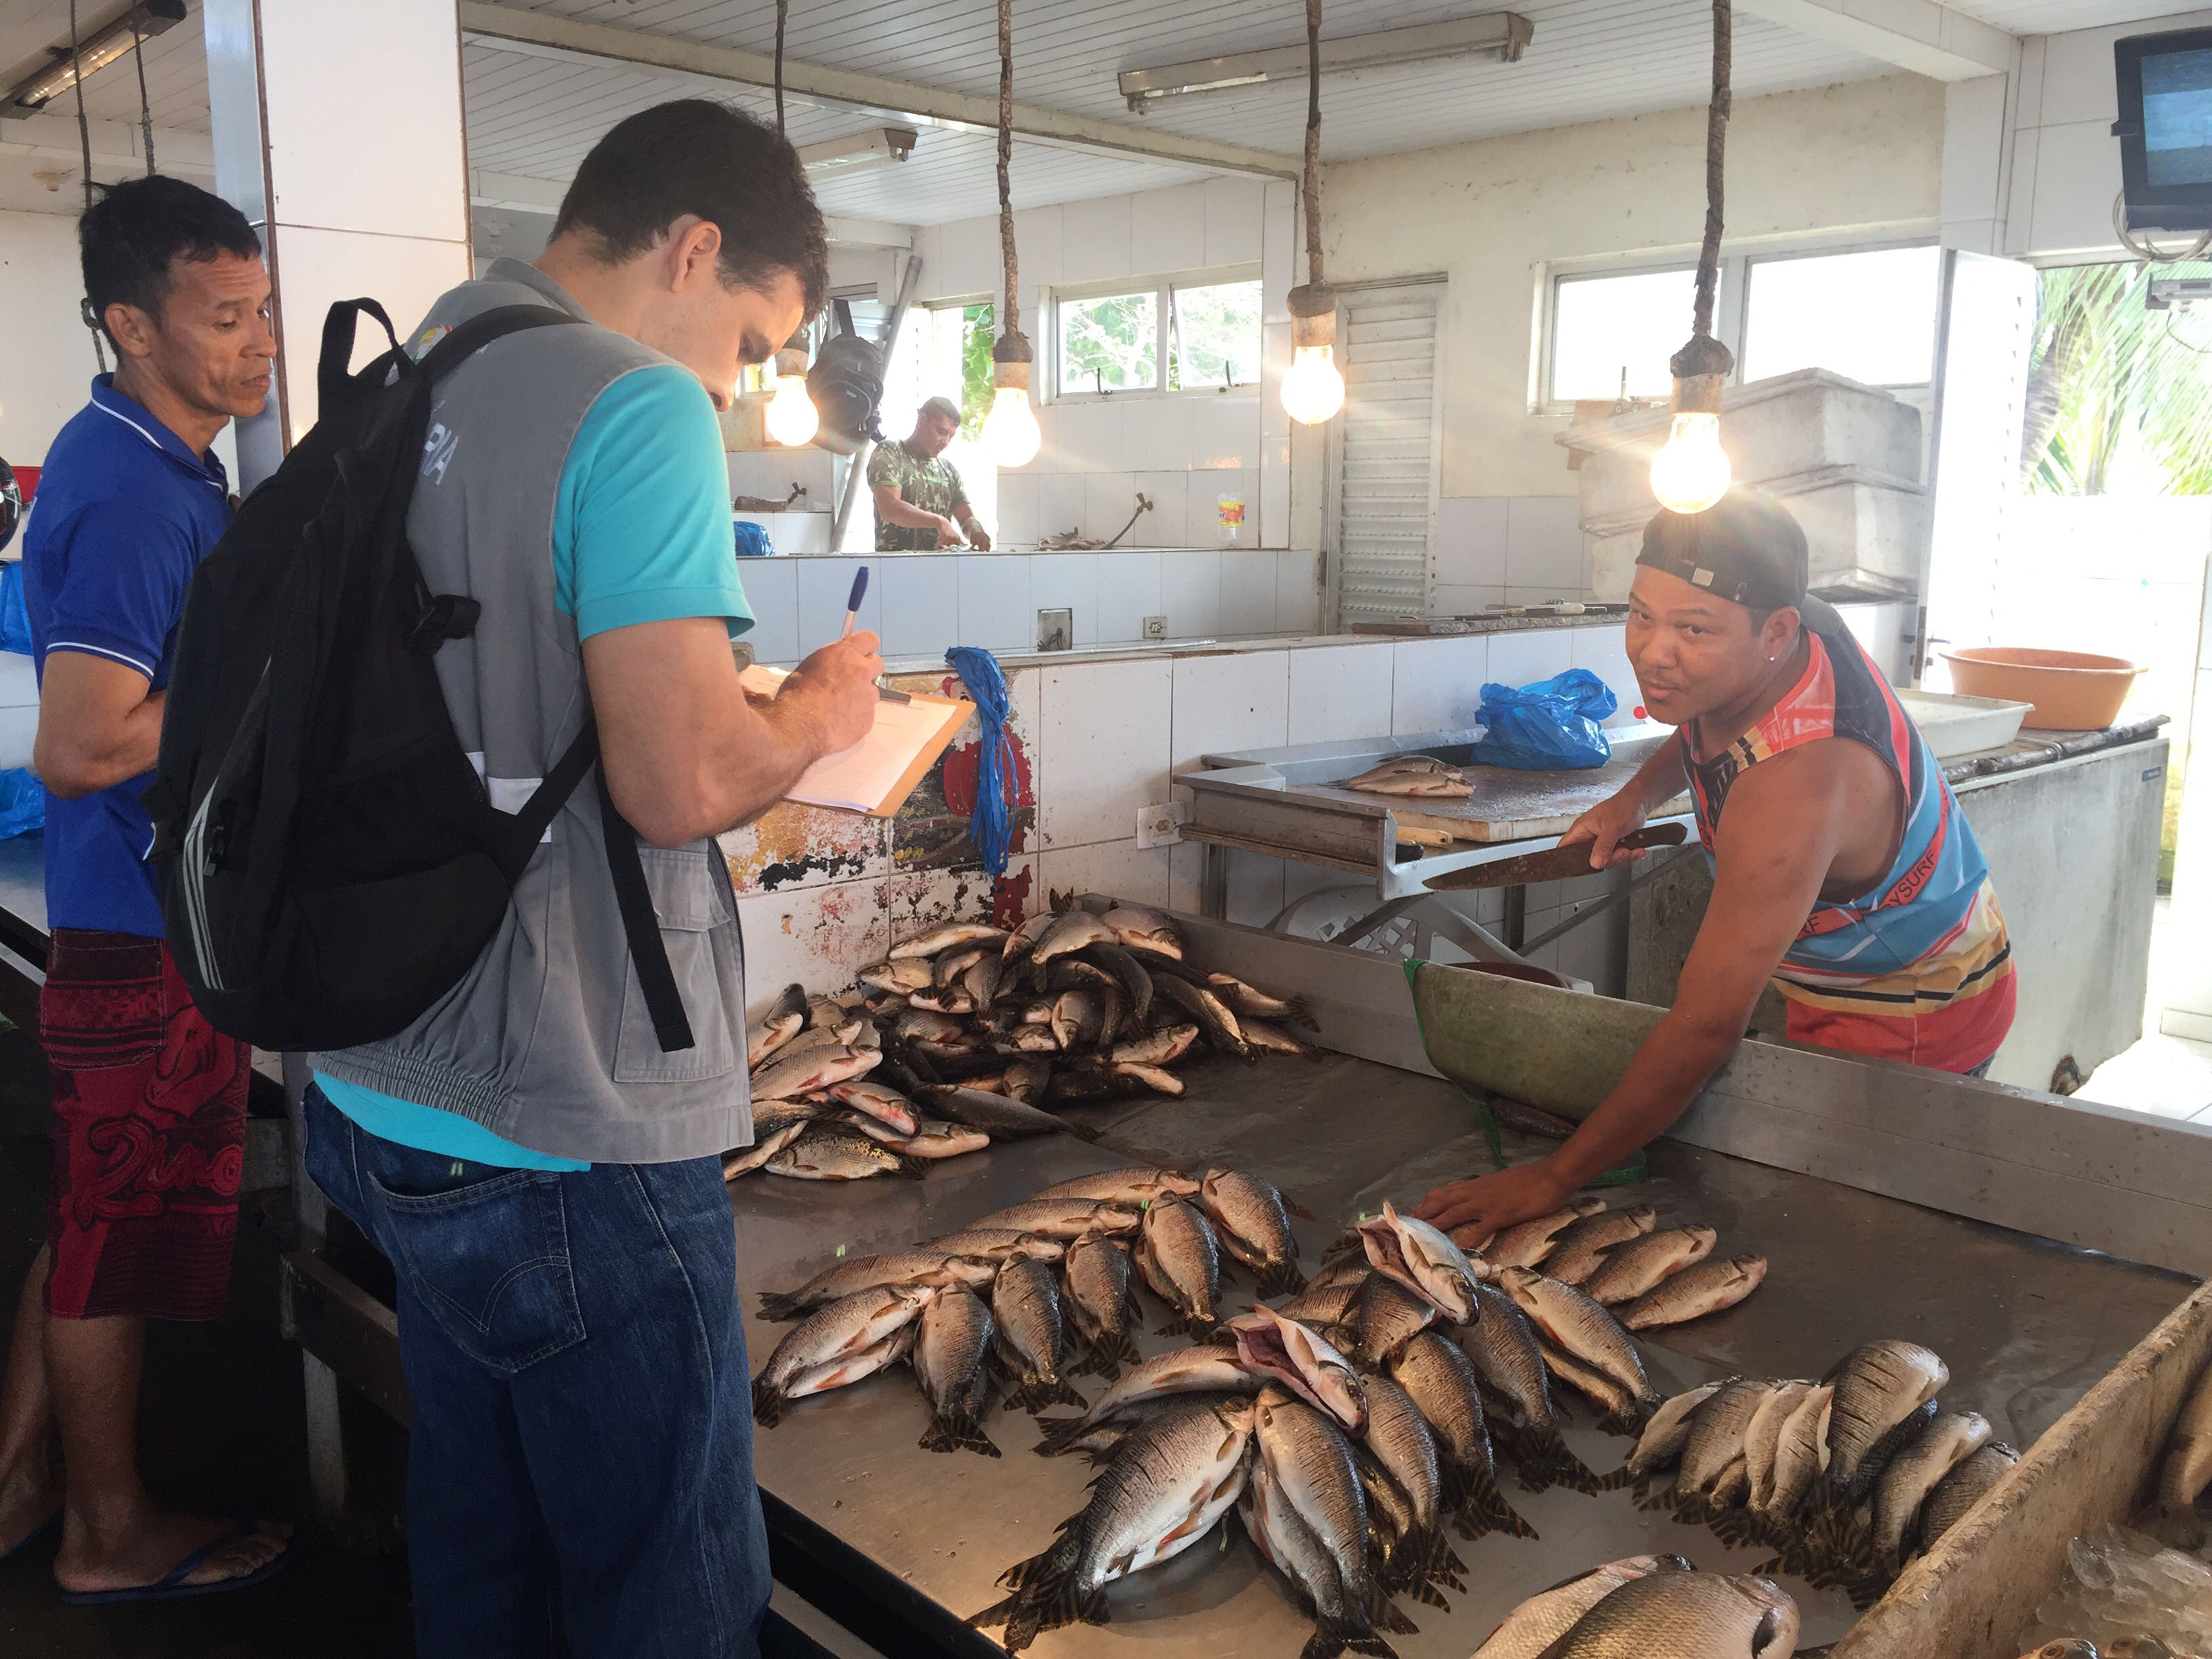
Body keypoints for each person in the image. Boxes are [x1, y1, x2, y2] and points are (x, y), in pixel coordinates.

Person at [297, 100, 880, 1658]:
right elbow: (677, 783)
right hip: (570, 1115)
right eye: (751, 338)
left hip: (380, 1079)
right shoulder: (633, 402)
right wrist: (814, 718)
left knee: (481, 1546)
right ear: (693, 249)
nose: (738, 385)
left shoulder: (410, 369)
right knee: (663, 1593)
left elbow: (508, 697)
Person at [1417, 491, 2016, 1244]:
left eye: (1693, 629)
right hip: (1850, 962)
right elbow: (1704, 712)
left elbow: (1705, 1031)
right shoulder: (1787, 633)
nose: (1653, 654)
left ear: (1777, 631)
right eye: (1641, 615)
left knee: (1856, 1233)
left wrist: (1551, 1179)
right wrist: (1635, 798)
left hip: (1914, 1007)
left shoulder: (1798, 787)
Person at [0, 177, 291, 1601]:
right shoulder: (128, 490)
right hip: (139, 928)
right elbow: (81, 745)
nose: (262, 343)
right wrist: (273, 675)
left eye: (264, 309)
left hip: (136, 911)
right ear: (129, 325)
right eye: (225, 318)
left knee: (88, 1219)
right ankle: (107, 1538)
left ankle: (18, 1485)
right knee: (112, 1247)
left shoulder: (158, 464)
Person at [869, 394, 991, 550]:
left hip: (940, 562)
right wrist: (939, 522)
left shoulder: (948, 470)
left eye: (951, 436)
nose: (945, 442)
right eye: (941, 432)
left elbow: (966, 518)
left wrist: (977, 532)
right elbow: (890, 508)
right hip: (897, 562)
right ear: (922, 420)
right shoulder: (890, 452)